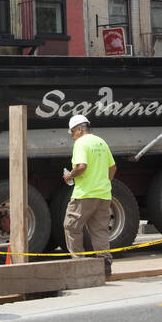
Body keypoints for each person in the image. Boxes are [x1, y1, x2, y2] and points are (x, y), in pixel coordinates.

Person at [62, 114, 116, 276]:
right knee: (100, 230)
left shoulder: (81, 143)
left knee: (71, 227)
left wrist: (69, 176)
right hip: (103, 194)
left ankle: (80, 264)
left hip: (85, 194)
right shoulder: (101, 142)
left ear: (79, 130)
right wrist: (105, 183)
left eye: (72, 132)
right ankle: (105, 265)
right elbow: (113, 168)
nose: (72, 136)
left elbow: (82, 166)